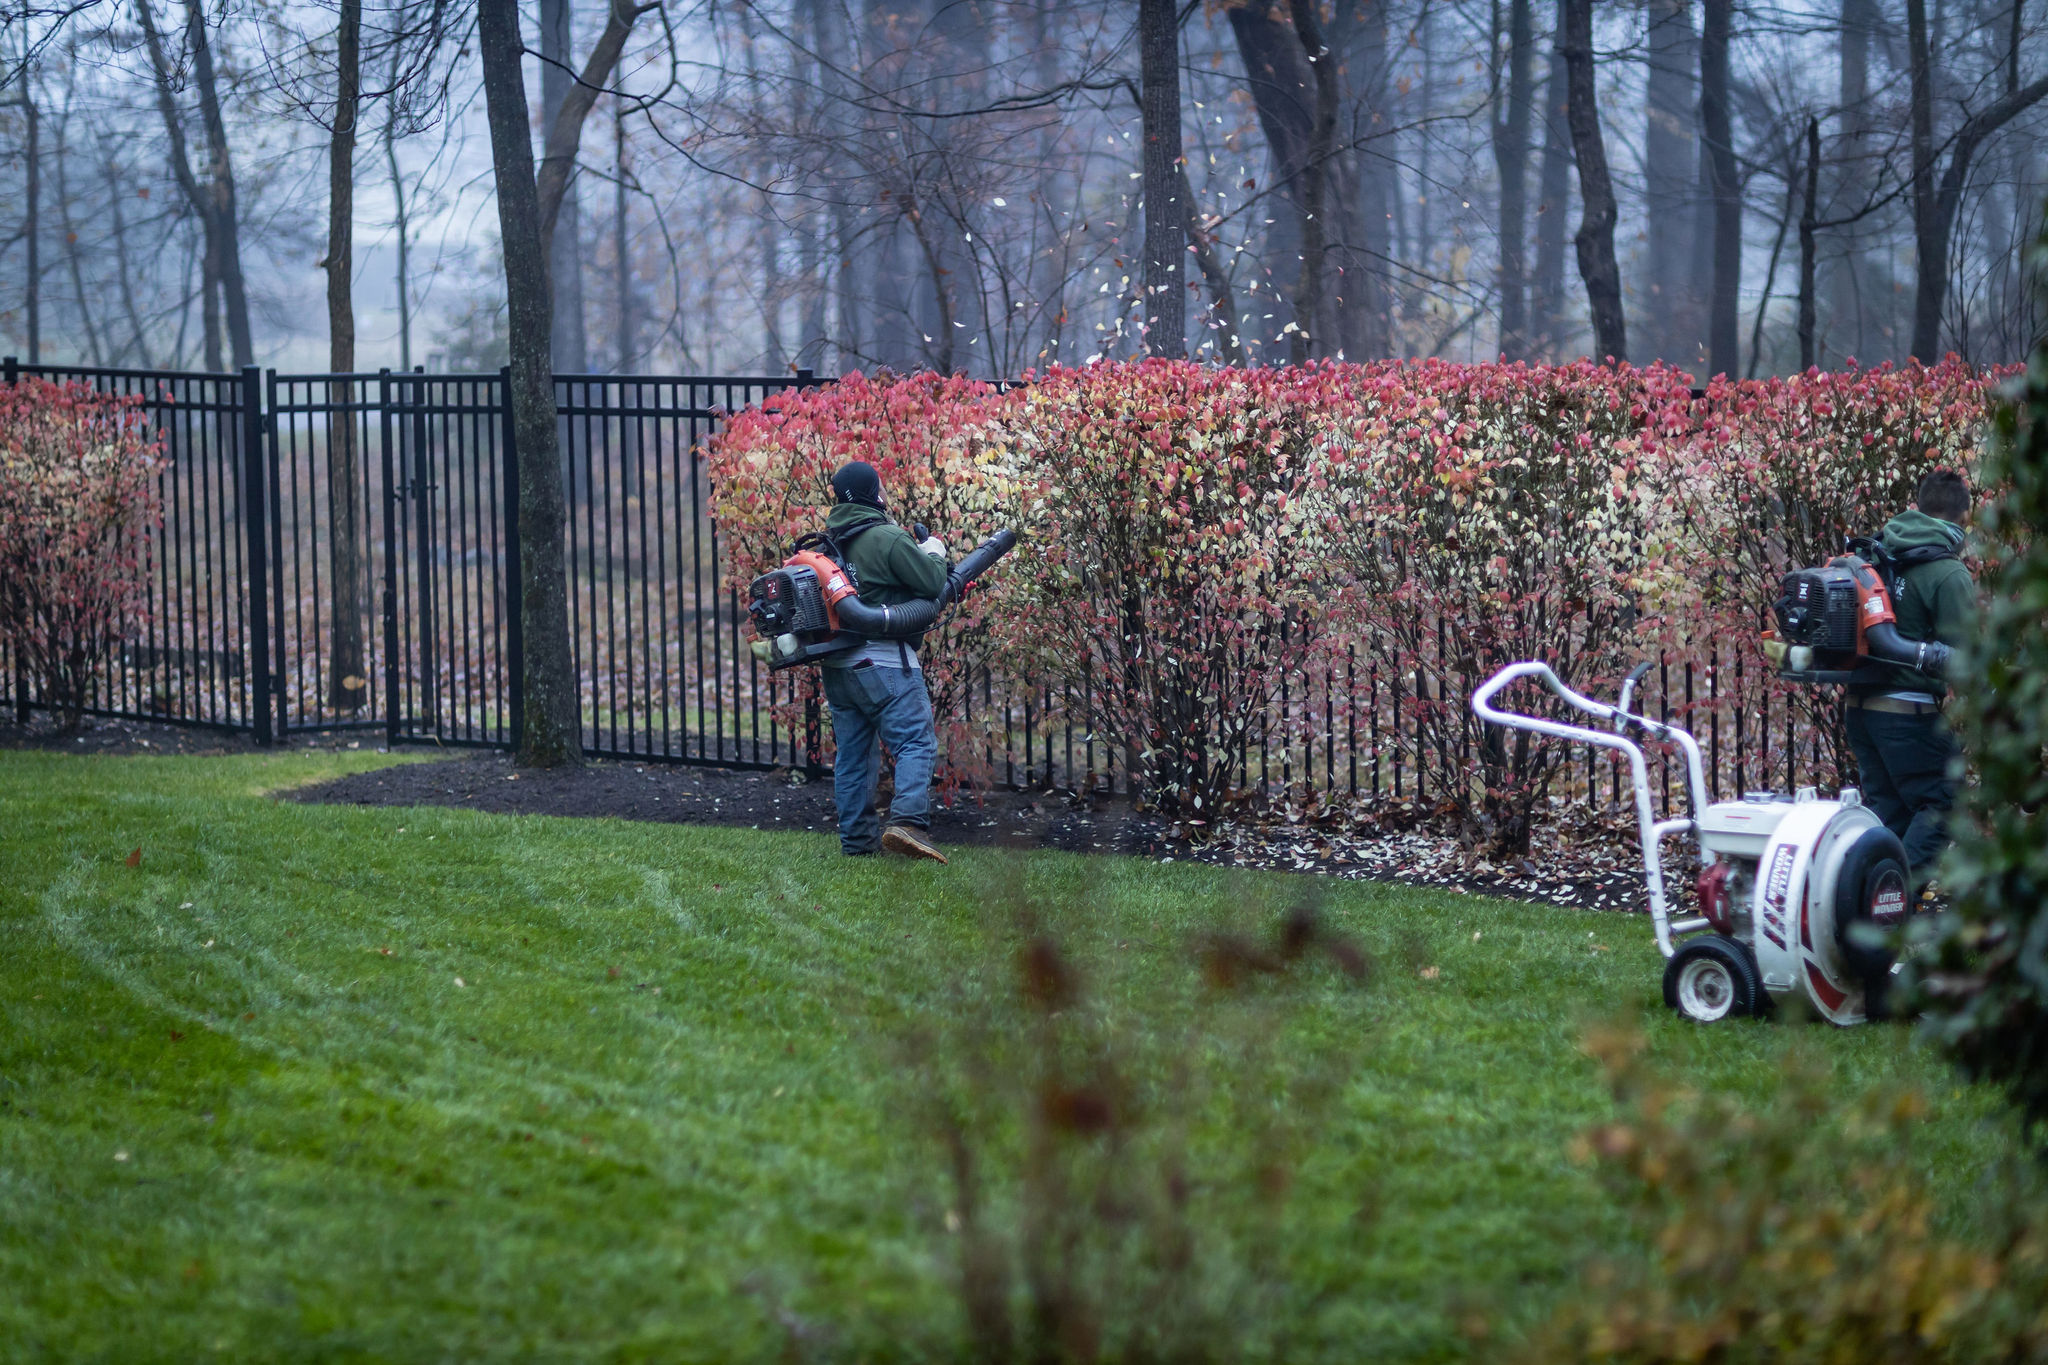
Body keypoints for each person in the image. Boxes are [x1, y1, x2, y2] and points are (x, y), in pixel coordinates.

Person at [1845, 467, 1977, 894]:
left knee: (1890, 823)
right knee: (1944, 802)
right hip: (1907, 715)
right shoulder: (1947, 572)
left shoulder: (1881, 554)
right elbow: (1968, 661)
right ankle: (1889, 914)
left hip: (1861, 712)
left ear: (1919, 507)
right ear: (1965, 516)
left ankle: (1858, 926)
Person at [818, 460, 951, 862]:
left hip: (838, 669)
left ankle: (857, 843)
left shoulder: (829, 545)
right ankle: (908, 823)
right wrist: (933, 551)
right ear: (873, 494)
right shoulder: (887, 538)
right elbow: (931, 582)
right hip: (884, 662)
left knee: (854, 756)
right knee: (915, 740)